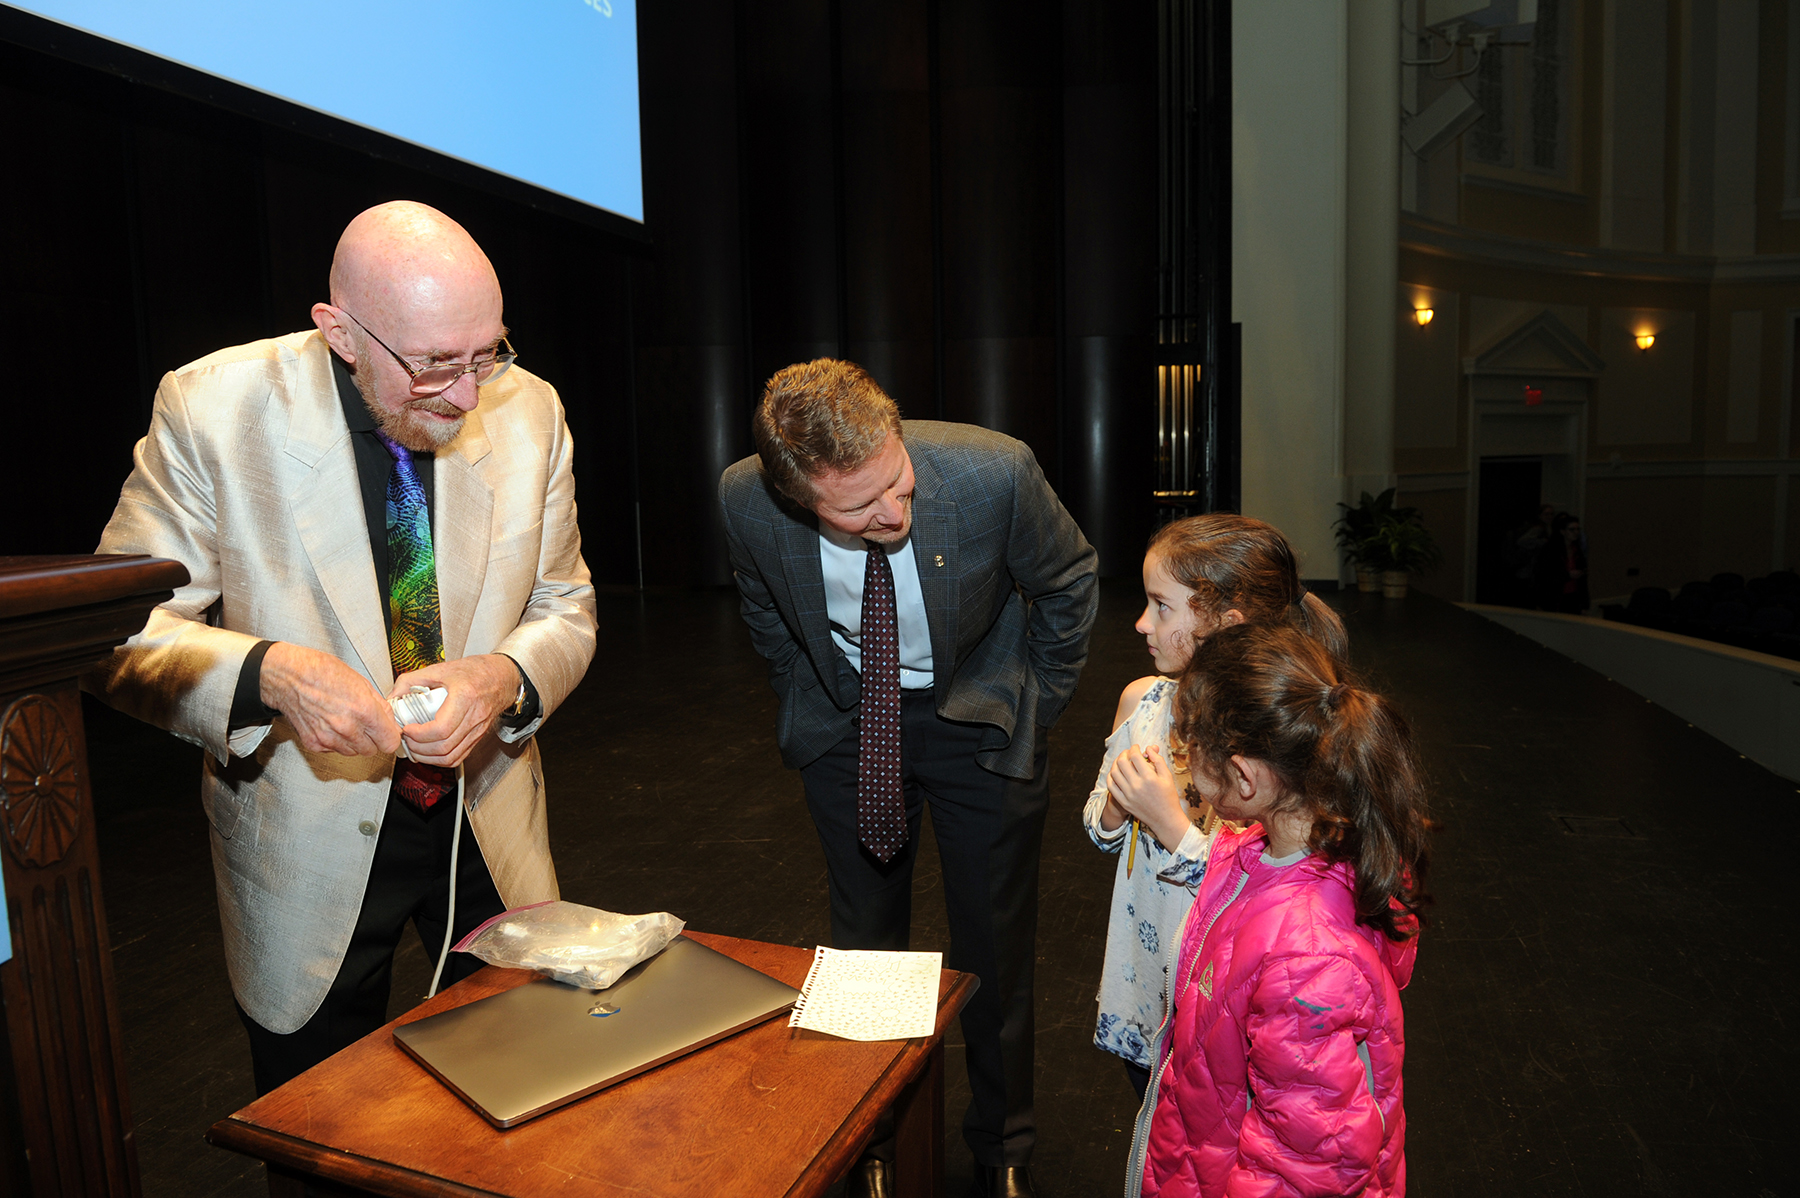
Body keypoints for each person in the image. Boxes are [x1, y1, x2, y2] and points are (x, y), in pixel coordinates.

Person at [84, 201, 598, 1094]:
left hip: (490, 823)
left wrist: (500, 677)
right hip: (305, 841)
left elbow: (567, 605)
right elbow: (117, 631)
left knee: (526, 1102)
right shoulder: (210, 407)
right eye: (436, 364)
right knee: (321, 1120)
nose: (471, 395)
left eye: (488, 354)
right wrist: (267, 673)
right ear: (340, 331)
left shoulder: (533, 409)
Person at [717, 359, 1098, 1198]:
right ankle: (873, 1140)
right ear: (795, 496)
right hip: (850, 724)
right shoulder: (745, 496)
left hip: (977, 723)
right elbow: (761, 606)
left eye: (898, 484)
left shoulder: (995, 471)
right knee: (863, 952)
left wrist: (1033, 707)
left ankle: (1004, 1154)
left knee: (993, 951)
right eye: (858, 507)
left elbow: (1069, 582)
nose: (892, 513)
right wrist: (808, 699)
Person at [1125, 624, 1429, 1198]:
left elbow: (1309, 1170)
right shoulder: (1275, 848)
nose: (1184, 762)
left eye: (1191, 751)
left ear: (1244, 776)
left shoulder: (1305, 960)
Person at [1084, 515, 1347, 1101]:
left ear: (1224, 627)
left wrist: (1169, 822)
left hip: (1225, 995)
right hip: (1146, 982)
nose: (1141, 623)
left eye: (1161, 606)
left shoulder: (1274, 736)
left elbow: (1272, 883)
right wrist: (1115, 810)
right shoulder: (1141, 701)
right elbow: (1099, 829)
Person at [1533, 512, 1588, 613]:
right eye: (1572, 529)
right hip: (1555, 597)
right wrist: (1567, 575)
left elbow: (1583, 580)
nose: (1576, 532)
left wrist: (1584, 603)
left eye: (1577, 529)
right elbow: (1544, 575)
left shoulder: (1577, 550)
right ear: (1562, 531)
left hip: (1574, 596)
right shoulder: (1551, 550)